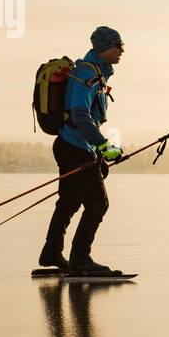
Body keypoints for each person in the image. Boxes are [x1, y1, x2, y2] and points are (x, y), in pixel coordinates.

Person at [39, 26, 124, 276]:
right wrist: (104, 147)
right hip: (74, 147)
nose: (121, 50)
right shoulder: (86, 74)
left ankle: (52, 252)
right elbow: (80, 116)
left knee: (69, 201)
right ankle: (81, 260)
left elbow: (86, 120)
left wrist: (98, 155)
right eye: (117, 45)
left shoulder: (96, 73)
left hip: (73, 146)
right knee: (98, 203)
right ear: (102, 48)